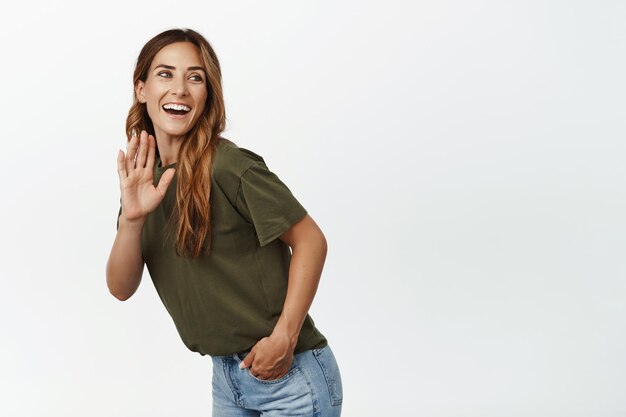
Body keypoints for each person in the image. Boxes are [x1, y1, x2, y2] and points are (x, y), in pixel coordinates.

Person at [105, 28, 343, 416]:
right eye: (165, 74)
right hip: (227, 379)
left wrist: (284, 337)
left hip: (291, 376)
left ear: (207, 94)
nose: (180, 88)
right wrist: (132, 219)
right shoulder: (142, 180)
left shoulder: (228, 166)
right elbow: (120, 287)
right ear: (141, 89)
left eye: (195, 77)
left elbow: (311, 241)